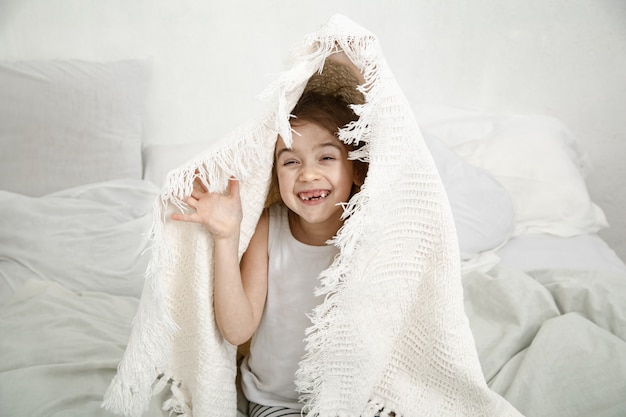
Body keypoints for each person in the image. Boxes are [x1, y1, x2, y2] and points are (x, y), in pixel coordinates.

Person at [171, 90, 368, 416]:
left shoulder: (368, 233)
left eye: (327, 157)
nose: (307, 174)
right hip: (276, 401)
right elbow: (237, 330)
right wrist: (226, 236)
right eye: (291, 161)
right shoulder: (270, 226)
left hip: (349, 402)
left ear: (357, 170)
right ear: (275, 174)